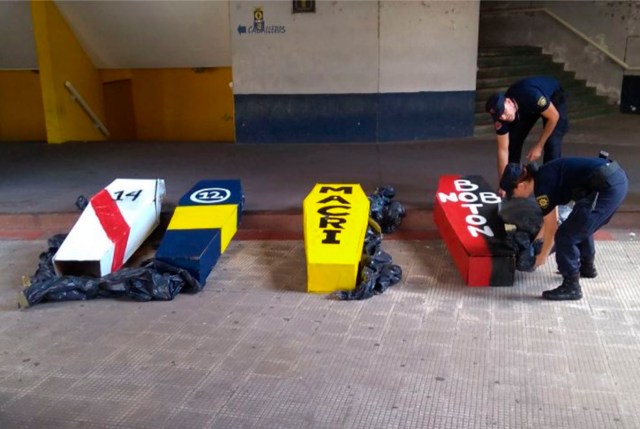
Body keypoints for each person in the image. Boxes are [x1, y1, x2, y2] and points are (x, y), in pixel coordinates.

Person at [499, 155, 628, 301]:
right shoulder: (543, 176)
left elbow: (552, 228)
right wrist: (536, 242)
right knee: (580, 224)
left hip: (607, 188)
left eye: (513, 193)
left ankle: (571, 287)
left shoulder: (542, 188)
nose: (515, 197)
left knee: (566, 236)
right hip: (614, 180)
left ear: (520, 185)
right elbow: (549, 220)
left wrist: (542, 257)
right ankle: (586, 267)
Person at [486, 76, 569, 193]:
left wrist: (539, 146)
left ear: (509, 102)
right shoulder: (501, 118)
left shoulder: (531, 95)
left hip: (553, 97)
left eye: (504, 112)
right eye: (500, 116)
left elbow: (554, 117)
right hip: (526, 108)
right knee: (513, 142)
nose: (504, 117)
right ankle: (513, 183)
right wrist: (503, 185)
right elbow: (503, 150)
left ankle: (552, 189)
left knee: (552, 142)